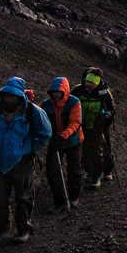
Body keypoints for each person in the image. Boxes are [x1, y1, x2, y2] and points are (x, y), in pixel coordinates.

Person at [0, 76, 52, 244]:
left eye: (12, 96)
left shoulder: (32, 112)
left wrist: (29, 148)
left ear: (19, 96)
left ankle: (22, 228)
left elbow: (45, 132)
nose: (8, 99)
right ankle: (1, 227)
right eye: (6, 95)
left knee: (22, 197)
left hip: (22, 162)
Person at [42, 76, 83, 211]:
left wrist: (64, 135)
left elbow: (75, 122)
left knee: (74, 170)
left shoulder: (74, 102)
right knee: (52, 170)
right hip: (55, 141)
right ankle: (60, 201)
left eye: (58, 92)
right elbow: (38, 117)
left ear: (65, 91)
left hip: (72, 140)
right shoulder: (46, 104)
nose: (56, 94)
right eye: (54, 92)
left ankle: (74, 197)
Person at [72, 66, 116, 188]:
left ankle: (106, 171)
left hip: (100, 126)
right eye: (87, 82)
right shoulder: (78, 90)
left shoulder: (104, 92)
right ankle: (91, 173)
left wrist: (106, 116)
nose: (88, 85)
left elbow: (112, 109)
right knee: (87, 150)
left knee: (104, 148)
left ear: (97, 83)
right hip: (83, 125)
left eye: (91, 83)